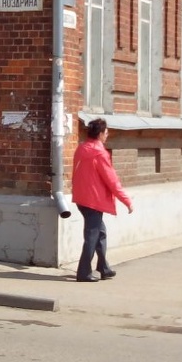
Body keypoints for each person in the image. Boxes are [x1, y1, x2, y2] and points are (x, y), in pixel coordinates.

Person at [71, 116, 133, 282]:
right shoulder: (99, 153)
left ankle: (103, 267)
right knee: (92, 235)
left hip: (81, 198)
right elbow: (111, 180)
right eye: (106, 132)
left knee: (100, 232)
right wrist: (127, 200)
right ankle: (83, 272)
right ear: (99, 134)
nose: (107, 135)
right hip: (93, 200)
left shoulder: (81, 149)